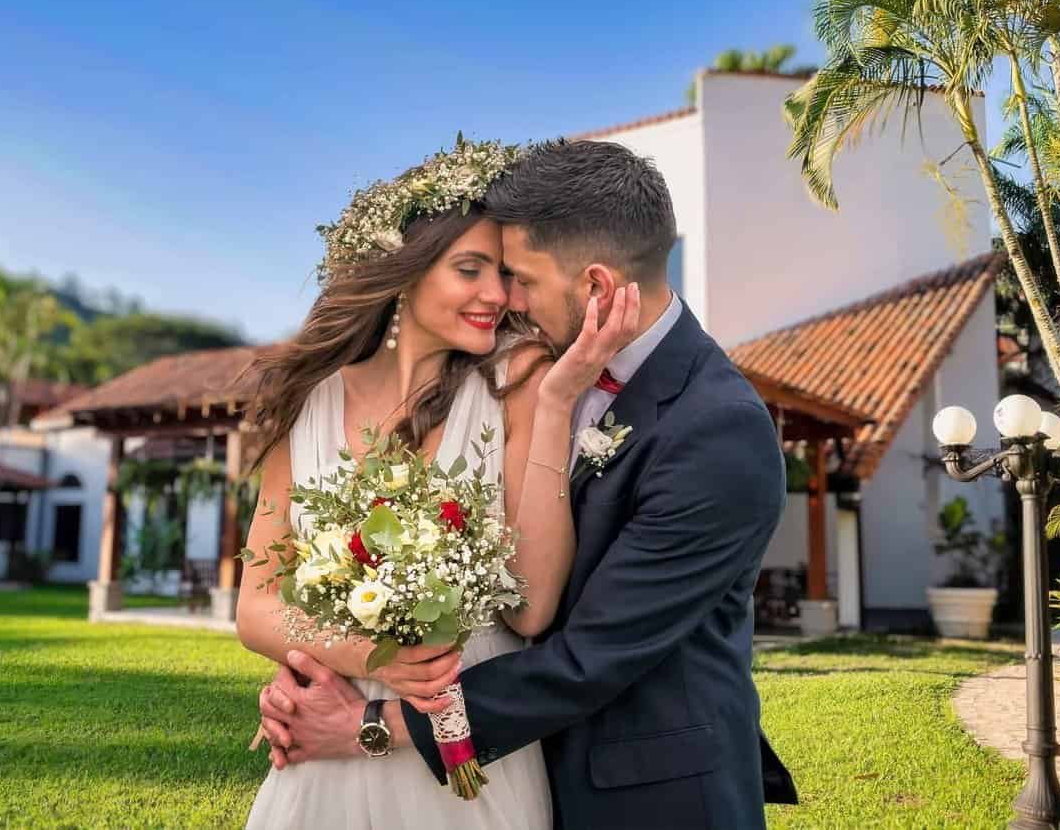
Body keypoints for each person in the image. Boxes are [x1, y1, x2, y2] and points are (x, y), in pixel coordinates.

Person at [257, 139, 797, 829]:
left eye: (520, 278)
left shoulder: (718, 432)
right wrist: (328, 662)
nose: (506, 298)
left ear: (597, 287)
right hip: (523, 765)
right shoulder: (529, 375)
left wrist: (369, 722)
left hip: (645, 796)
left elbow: (586, 659)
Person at [237, 138, 639, 829]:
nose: (497, 294)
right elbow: (256, 605)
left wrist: (554, 406)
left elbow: (532, 608)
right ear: (405, 271)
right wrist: (377, 659)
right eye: (470, 269)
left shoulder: (521, 379)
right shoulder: (310, 402)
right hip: (324, 752)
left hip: (473, 766)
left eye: (505, 273)